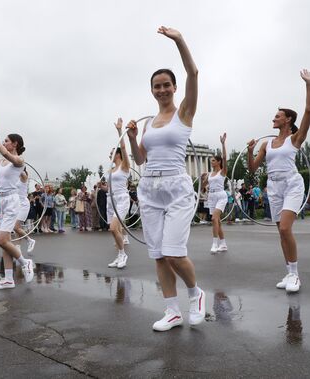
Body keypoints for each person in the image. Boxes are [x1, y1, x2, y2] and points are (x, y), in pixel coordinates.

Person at [126, 26, 205, 331]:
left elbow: (194, 74)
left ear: (174, 87)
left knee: (174, 252)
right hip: (149, 188)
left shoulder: (183, 113)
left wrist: (179, 40)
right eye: (156, 86)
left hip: (177, 187)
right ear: (152, 90)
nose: (162, 90)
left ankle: (196, 293)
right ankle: (172, 311)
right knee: (159, 255)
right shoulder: (150, 124)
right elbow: (141, 159)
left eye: (166, 85)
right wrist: (133, 138)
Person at [247, 69, 310, 293]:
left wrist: (308, 85)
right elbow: (252, 168)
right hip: (273, 186)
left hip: (292, 184)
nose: (273, 118)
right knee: (281, 232)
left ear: (288, 119)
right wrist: (249, 151)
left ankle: (295, 275)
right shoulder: (267, 144)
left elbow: (309, 110)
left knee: (285, 228)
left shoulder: (295, 139)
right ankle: (289, 271)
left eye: (277, 116)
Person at [0, 128, 34, 290]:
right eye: (4, 140)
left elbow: (6, 154)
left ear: (15, 144)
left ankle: (24, 262)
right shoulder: (0, 163)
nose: (4, 143)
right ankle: (8, 279)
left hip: (11, 201)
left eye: (6, 141)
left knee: (2, 240)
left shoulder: (19, 161)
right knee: (4, 243)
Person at [107, 118, 132, 269]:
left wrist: (119, 131)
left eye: (111, 153)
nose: (109, 155)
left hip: (122, 199)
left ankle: (123, 254)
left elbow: (123, 148)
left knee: (113, 228)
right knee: (114, 230)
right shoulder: (111, 170)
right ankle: (119, 255)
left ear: (117, 155)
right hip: (112, 200)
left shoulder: (124, 166)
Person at [207, 133, 228, 253]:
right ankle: (223, 244)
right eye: (211, 161)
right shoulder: (210, 174)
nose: (212, 162)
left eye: (213, 160)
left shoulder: (222, 172)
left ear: (219, 162)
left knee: (214, 219)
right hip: (211, 196)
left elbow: (225, 158)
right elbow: (204, 185)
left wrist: (223, 143)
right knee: (217, 221)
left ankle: (215, 244)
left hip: (221, 196)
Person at [14, 168, 36, 252]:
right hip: (16, 204)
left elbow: (19, 170)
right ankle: (18, 247)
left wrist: (15, 162)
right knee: (17, 227)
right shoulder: (15, 178)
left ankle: (30, 240)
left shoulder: (24, 177)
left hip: (23, 205)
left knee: (16, 227)